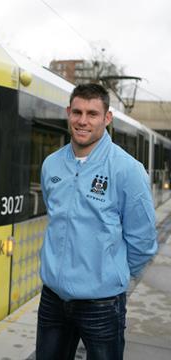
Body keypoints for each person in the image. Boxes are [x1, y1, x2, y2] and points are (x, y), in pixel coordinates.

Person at [36, 83, 157, 360]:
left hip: (102, 304)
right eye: (77, 112)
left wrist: (112, 277)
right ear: (68, 112)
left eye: (92, 113)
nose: (82, 120)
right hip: (53, 299)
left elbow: (143, 240)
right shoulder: (51, 164)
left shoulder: (127, 169)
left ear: (107, 118)